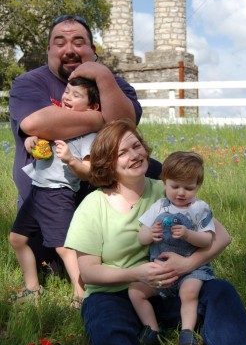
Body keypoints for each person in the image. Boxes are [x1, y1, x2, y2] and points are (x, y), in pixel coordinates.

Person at [64, 119, 246, 345]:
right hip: (116, 293)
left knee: (219, 291)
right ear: (106, 161)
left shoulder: (168, 189)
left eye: (137, 145)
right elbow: (90, 272)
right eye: (123, 152)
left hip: (172, 288)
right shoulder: (93, 206)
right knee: (106, 326)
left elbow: (221, 236)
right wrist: (138, 273)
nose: (135, 154)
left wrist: (188, 264)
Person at [9, 14, 161, 273]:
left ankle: (146, 244)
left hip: (105, 192)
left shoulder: (114, 83)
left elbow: (126, 124)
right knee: (54, 266)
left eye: (79, 42)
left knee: (154, 170)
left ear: (93, 51)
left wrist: (102, 77)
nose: (69, 49)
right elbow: (37, 123)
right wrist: (101, 117)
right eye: (60, 42)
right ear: (48, 50)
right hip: (51, 194)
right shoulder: (30, 82)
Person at [9, 77, 100, 308]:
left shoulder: (88, 136)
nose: (67, 96)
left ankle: (82, 296)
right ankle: (32, 288)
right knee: (17, 239)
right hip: (37, 191)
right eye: (67, 91)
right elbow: (40, 138)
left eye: (76, 95)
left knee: (64, 247)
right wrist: (32, 141)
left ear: (92, 108)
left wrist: (71, 159)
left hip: (58, 193)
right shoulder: (58, 123)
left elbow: (87, 172)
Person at [129, 151, 216, 345]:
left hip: (189, 270)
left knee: (189, 292)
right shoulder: (159, 207)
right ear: (164, 182)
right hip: (161, 270)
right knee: (135, 291)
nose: (181, 193)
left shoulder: (199, 208)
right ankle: (152, 330)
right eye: (174, 186)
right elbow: (141, 237)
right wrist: (151, 234)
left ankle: (186, 333)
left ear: (198, 186)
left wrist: (188, 235)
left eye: (189, 188)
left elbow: (207, 239)